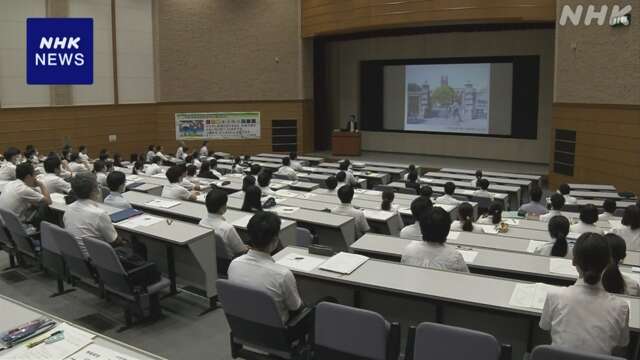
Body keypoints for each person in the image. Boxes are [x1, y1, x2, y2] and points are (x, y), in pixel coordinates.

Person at [539, 233, 629, 355]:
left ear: (574, 261)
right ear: (608, 262)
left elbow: (545, 327)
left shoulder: (554, 296)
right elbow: (622, 343)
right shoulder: (621, 307)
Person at [228, 211, 303, 323]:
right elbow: (295, 307)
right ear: (275, 240)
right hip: (276, 331)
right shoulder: (282, 275)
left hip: (242, 323)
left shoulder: (234, 264)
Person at [63, 173, 120, 258]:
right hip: (99, 259)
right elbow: (114, 241)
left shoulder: (68, 209)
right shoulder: (99, 214)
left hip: (76, 257)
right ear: (94, 190)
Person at [400, 207, 469, 273]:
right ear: (447, 230)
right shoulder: (454, 256)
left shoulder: (409, 249)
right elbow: (467, 279)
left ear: (421, 228)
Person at [200, 189, 248, 273]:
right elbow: (241, 251)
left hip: (211, 260)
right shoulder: (227, 228)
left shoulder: (201, 222)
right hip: (229, 264)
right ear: (222, 207)